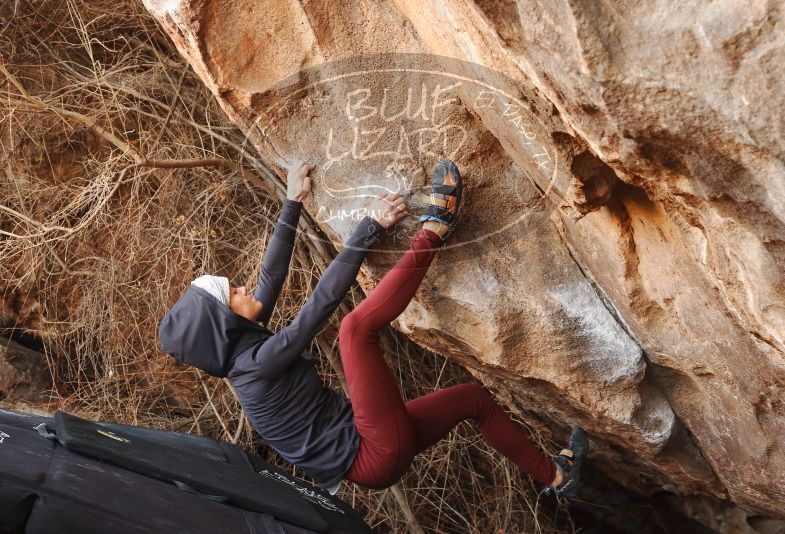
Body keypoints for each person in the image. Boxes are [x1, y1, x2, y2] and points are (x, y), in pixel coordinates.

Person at [158, 159, 588, 498]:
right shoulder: (256, 366)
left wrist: (293, 202)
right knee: (353, 328)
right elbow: (319, 305)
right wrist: (371, 226)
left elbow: (271, 277)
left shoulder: (244, 349)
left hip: (373, 449)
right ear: (223, 323)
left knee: (473, 400)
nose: (243, 286)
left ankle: (555, 476)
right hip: (370, 453)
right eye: (232, 292)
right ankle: (434, 230)